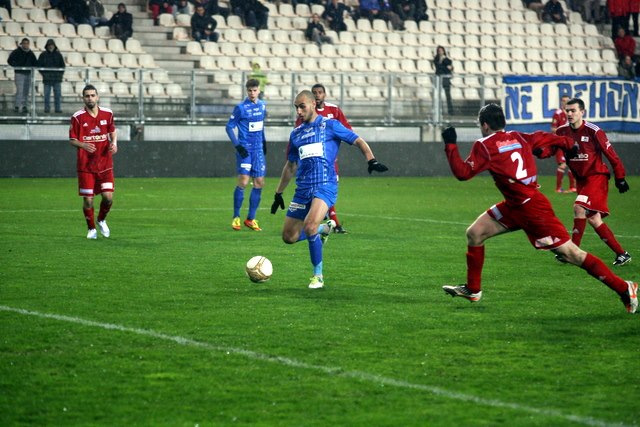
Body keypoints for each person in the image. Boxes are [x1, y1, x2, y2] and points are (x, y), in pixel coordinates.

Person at [440, 103, 637, 314]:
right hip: (516, 205)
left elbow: (463, 173)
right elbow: (550, 138)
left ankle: (625, 288)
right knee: (475, 233)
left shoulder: (485, 145)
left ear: (485, 125)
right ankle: (473, 289)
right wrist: (569, 144)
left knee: (572, 254)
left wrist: (450, 144)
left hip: (533, 210)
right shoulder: (521, 137)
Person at [270, 90, 388, 289]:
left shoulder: (330, 125)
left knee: (309, 226)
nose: (298, 111)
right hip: (303, 189)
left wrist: (371, 159)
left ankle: (318, 276)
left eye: (302, 106)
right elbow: (290, 166)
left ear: (313, 105)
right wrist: (278, 193)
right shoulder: (296, 133)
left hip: (325, 185)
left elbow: (357, 140)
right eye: (295, 108)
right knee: (288, 237)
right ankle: (325, 228)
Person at [554, 98, 632, 266]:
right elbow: (551, 146)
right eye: (567, 111)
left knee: (579, 207)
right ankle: (622, 254)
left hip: (596, 176)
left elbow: (611, 154)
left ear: (582, 112)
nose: (569, 114)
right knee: (593, 219)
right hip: (581, 179)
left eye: (573, 110)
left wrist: (620, 177)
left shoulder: (593, 131)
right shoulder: (561, 131)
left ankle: (572, 251)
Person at [293, 83, 351, 234]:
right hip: (309, 163)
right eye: (315, 93)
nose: (318, 95)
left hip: (328, 161)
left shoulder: (333, 110)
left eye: (320, 92)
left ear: (324, 94)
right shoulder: (304, 113)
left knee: (325, 189)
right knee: (317, 192)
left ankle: (331, 224)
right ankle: (326, 225)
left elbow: (347, 131)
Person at [69, 84, 117, 240]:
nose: (90, 98)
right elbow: (72, 139)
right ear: (83, 98)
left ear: (97, 97)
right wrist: (83, 145)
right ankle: (91, 229)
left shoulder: (107, 114)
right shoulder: (77, 117)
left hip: (105, 164)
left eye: (92, 95)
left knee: (108, 197)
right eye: (87, 96)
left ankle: (101, 219)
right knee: (88, 200)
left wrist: (114, 143)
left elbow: (112, 131)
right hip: (86, 166)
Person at [226, 79, 267, 232]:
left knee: (259, 182)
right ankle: (236, 216)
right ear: (246, 91)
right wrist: (238, 145)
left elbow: (260, 126)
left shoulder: (262, 106)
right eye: (249, 90)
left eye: (254, 90)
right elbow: (229, 127)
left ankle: (251, 218)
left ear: (258, 90)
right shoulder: (240, 108)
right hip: (245, 149)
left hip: (258, 149)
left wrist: (264, 142)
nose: (252, 93)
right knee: (243, 180)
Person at [550, 95, 576, 193]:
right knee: (562, 165)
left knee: (572, 164)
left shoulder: (572, 113)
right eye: (563, 101)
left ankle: (572, 187)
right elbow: (553, 129)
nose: (565, 102)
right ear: (561, 102)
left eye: (567, 101)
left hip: (570, 143)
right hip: (560, 143)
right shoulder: (558, 113)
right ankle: (558, 188)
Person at [7, 38, 37, 114]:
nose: (26, 45)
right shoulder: (16, 52)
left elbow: (35, 62)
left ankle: (24, 106)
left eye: (27, 43)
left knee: (26, 91)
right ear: (22, 44)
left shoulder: (31, 53)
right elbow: (10, 60)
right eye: (24, 43)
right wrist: (16, 66)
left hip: (28, 74)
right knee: (20, 91)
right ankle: (17, 106)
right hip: (19, 73)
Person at [37, 39, 65, 114]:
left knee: (58, 96)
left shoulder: (59, 55)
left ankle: (58, 109)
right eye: (49, 45)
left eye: (52, 45)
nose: (50, 46)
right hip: (47, 79)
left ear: (54, 46)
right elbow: (39, 66)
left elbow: (62, 66)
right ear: (47, 46)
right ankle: (47, 109)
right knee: (46, 96)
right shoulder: (43, 55)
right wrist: (44, 74)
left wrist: (59, 75)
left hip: (57, 79)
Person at [433, 45, 453, 115]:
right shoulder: (436, 59)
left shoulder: (447, 59)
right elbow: (439, 67)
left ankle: (450, 111)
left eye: (441, 50)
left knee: (448, 96)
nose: (440, 52)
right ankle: (439, 111)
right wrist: (446, 67)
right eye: (439, 51)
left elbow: (450, 67)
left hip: (445, 80)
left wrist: (444, 64)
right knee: (438, 96)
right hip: (438, 79)